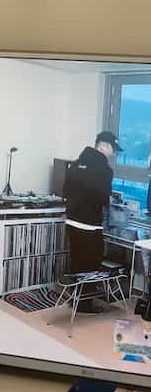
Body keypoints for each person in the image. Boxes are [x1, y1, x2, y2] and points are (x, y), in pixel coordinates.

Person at [63, 131, 121, 311]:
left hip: (72, 220)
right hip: (89, 224)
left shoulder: (76, 163)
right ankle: (84, 303)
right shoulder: (104, 170)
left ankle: (74, 298)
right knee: (91, 264)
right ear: (104, 145)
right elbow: (103, 198)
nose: (113, 154)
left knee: (77, 261)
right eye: (113, 149)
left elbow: (66, 190)